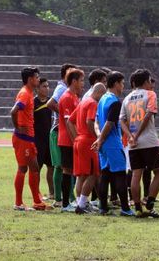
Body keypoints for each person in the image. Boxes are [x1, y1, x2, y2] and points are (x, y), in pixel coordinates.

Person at [120, 69, 159, 218]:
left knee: (135, 174)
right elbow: (149, 114)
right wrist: (138, 134)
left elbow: (121, 120)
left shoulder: (127, 98)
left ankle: (138, 207)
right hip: (149, 140)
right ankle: (150, 203)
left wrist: (130, 136)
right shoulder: (150, 94)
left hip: (133, 143)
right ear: (146, 81)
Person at [92, 71, 134, 216]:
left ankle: (103, 207)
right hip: (112, 143)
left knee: (105, 175)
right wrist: (101, 139)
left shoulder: (102, 98)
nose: (123, 86)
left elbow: (96, 122)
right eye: (122, 83)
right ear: (116, 84)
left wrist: (98, 138)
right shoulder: (115, 102)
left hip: (103, 144)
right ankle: (125, 208)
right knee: (120, 175)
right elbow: (110, 123)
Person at [10, 67, 49, 211]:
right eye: (37, 77)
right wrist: (18, 127)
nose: (38, 79)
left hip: (27, 138)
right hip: (23, 138)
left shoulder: (28, 92)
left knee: (34, 168)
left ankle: (36, 202)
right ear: (30, 79)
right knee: (25, 168)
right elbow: (13, 111)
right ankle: (19, 203)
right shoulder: (25, 94)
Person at [67, 83, 106, 214]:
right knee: (93, 174)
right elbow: (90, 122)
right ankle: (82, 205)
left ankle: (80, 202)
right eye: (103, 94)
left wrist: (75, 138)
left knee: (81, 175)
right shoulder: (92, 103)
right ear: (99, 92)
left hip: (79, 141)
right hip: (88, 141)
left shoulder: (83, 102)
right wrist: (97, 138)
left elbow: (69, 121)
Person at [47, 63, 76, 207]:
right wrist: (64, 114)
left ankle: (69, 196)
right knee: (60, 166)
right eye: (71, 72)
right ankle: (59, 198)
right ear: (65, 74)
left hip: (65, 129)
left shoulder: (71, 91)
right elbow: (50, 103)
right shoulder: (62, 89)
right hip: (58, 130)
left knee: (68, 166)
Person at [58, 68, 85, 212]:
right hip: (67, 140)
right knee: (67, 171)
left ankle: (71, 201)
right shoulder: (67, 97)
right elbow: (69, 123)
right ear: (73, 81)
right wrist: (76, 141)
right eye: (81, 80)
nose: (82, 84)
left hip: (72, 139)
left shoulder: (75, 96)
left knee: (73, 171)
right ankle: (65, 204)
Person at [34, 78, 54, 200]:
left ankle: (52, 193)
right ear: (37, 88)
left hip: (49, 141)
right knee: (37, 168)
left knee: (51, 167)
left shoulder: (51, 103)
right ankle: (36, 193)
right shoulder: (33, 103)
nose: (47, 89)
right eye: (44, 86)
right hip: (37, 141)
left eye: (47, 86)